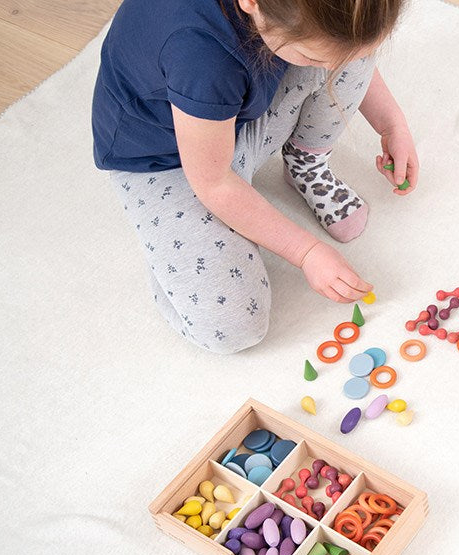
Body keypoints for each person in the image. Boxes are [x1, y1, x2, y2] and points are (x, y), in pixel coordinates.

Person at [92, 0, 417, 353]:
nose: (328, 70)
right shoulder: (201, 54)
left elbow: (345, 48)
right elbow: (213, 182)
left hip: (235, 119)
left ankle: (305, 162)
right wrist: (306, 251)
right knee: (232, 326)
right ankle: (171, 259)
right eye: (313, 58)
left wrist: (392, 124)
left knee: (343, 50)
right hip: (169, 163)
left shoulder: (282, 21)